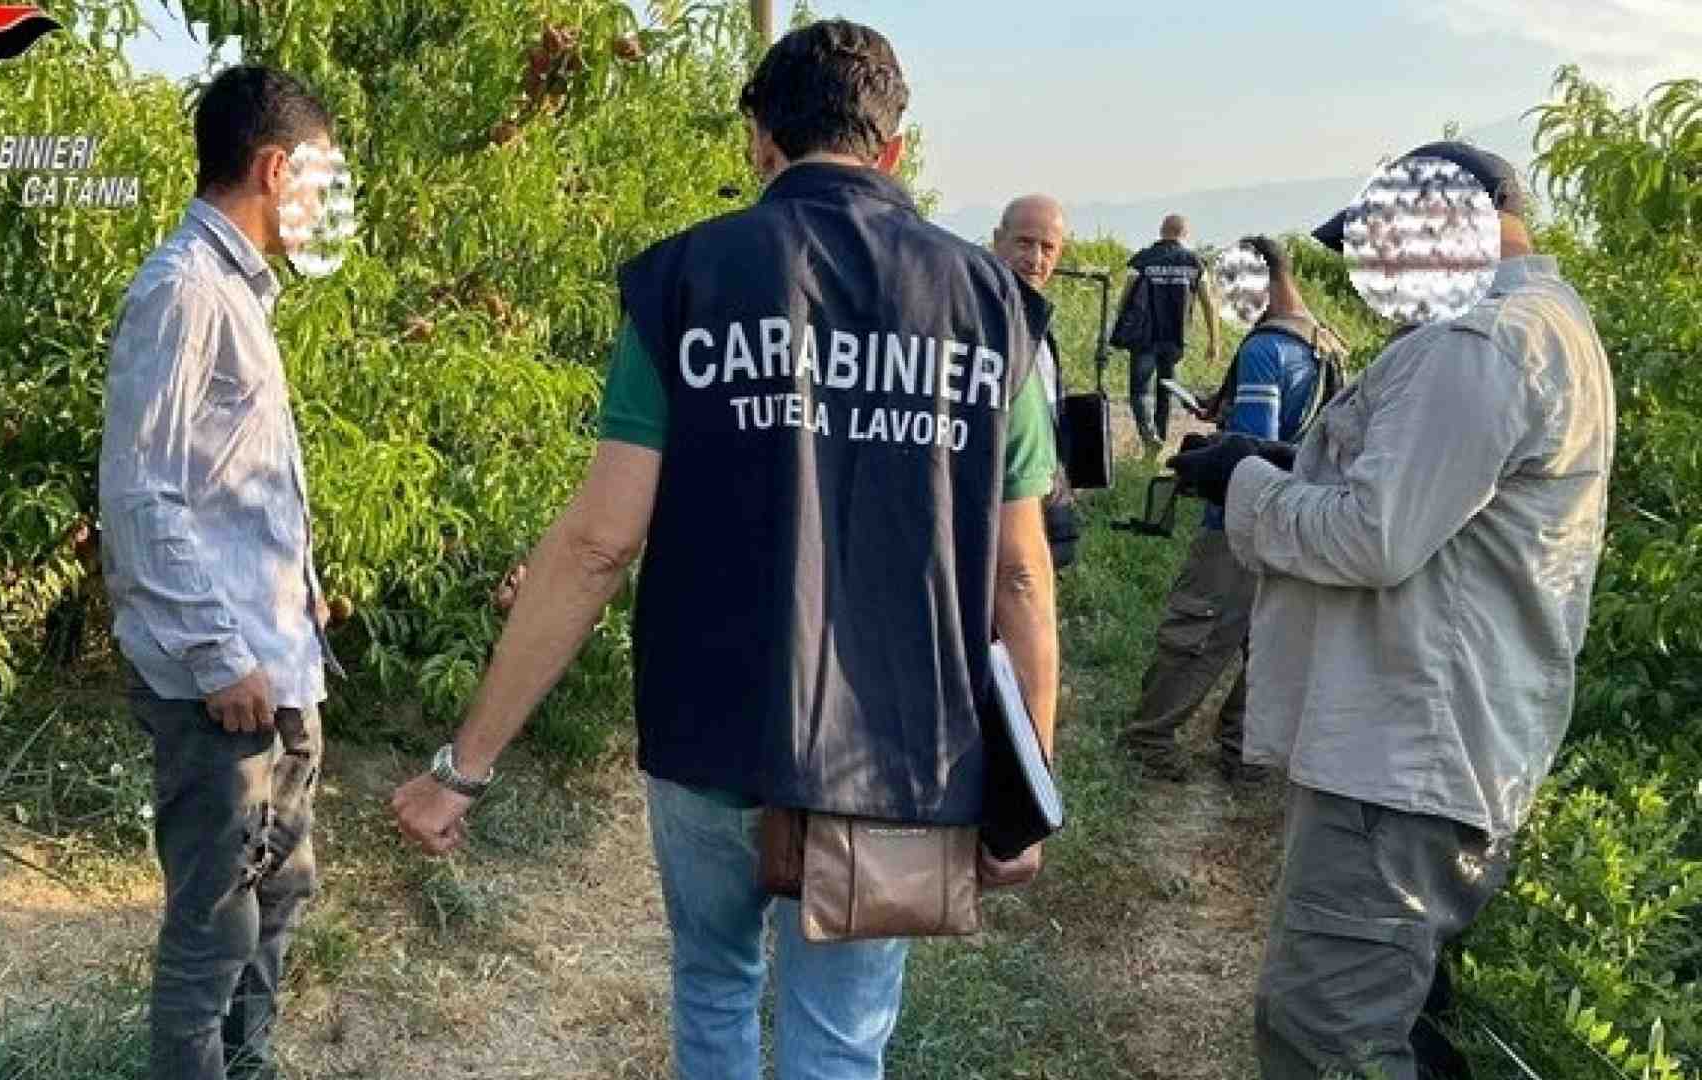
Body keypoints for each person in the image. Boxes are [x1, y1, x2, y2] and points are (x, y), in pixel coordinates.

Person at [390, 20, 1060, 1080]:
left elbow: (599, 543)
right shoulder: (995, 308)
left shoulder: (688, 281)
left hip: (712, 729)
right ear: (891, 148)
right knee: (839, 1041)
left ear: (759, 141)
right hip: (899, 749)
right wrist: (1029, 791)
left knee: (713, 982)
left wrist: (461, 768)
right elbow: (1020, 573)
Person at [1166, 143, 1616, 1079]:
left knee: (1325, 1036)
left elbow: (1373, 537)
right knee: (1396, 1026)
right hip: (1444, 750)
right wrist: (1287, 463)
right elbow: (1432, 506)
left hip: (1400, 761)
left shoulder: (1477, 345)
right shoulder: (1546, 326)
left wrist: (1245, 479)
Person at [97, 65, 342, 1080]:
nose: (324, 203)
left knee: (277, 899)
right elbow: (141, 494)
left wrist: (297, 588)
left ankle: (250, 1070)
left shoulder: (236, 293)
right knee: (213, 934)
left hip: (274, 665)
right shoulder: (184, 291)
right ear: (275, 168)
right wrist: (215, 651)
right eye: (320, 179)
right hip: (224, 688)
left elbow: (227, 483)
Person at [1119, 236, 1340, 784]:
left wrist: (1213, 445)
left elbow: (1254, 445)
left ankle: (1150, 739)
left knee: (1198, 625)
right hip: (1301, 516)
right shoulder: (1325, 342)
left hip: (1242, 517)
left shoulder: (1265, 350)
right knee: (1268, 640)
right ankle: (1244, 750)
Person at [992, 194, 1079, 567]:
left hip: (1046, 494)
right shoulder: (982, 316)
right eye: (1024, 243)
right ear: (998, 241)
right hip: (1007, 498)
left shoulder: (1037, 319)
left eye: (1047, 247)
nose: (1035, 258)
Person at [1119, 214, 1219, 453]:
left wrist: (1121, 325)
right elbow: (1209, 303)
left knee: (1140, 390)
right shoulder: (1194, 263)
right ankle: (1158, 443)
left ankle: (1149, 435)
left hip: (1144, 336)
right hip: (1175, 337)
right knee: (1166, 390)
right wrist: (1214, 341)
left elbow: (1125, 296)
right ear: (1185, 234)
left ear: (1161, 231)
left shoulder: (1143, 259)